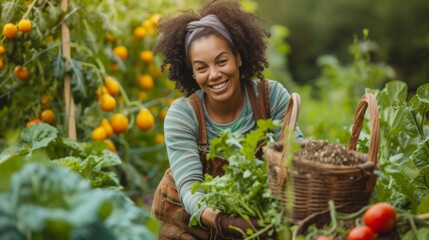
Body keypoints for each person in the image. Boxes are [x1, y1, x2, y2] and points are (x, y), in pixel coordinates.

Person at [152, 0, 303, 239]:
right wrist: (225, 222)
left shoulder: (271, 97)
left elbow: (296, 160)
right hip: (193, 228)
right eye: (201, 68)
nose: (214, 75)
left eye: (222, 61)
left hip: (259, 223)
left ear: (238, 57)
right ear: (192, 72)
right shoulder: (183, 115)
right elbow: (191, 188)